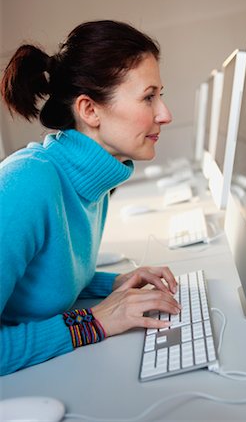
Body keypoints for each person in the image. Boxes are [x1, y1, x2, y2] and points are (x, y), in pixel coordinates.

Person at [0, 20, 180, 376]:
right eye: (149, 96)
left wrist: (113, 283)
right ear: (90, 110)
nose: (165, 113)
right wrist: (94, 322)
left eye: (161, 95)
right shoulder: (27, 184)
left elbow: (45, 279)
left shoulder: (93, 179)